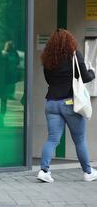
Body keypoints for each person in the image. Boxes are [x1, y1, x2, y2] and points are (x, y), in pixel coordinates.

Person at [37, 29, 97, 183]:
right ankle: (88, 172)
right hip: (69, 103)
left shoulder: (48, 59)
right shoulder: (75, 55)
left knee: (52, 139)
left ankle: (44, 171)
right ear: (70, 42)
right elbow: (85, 77)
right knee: (79, 139)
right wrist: (93, 72)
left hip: (51, 102)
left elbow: (48, 80)